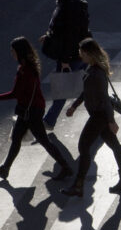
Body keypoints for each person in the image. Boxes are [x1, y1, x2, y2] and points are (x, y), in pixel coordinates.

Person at [60, 38, 121, 197]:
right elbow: (85, 91)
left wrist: (111, 121)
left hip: (100, 116)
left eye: (82, 53)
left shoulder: (97, 73)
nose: (80, 55)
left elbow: (105, 99)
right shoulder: (91, 68)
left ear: (88, 53)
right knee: (114, 145)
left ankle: (78, 186)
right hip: (98, 115)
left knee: (83, 147)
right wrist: (74, 106)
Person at [0, 37, 72, 180]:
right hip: (29, 109)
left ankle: (66, 167)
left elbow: (16, 93)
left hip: (32, 111)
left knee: (43, 141)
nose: (11, 53)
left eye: (13, 51)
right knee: (16, 138)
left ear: (19, 52)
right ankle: (5, 168)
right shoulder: (26, 67)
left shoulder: (25, 70)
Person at [39, 0, 92, 130]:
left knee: (62, 88)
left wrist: (65, 58)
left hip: (71, 54)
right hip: (81, 51)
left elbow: (69, 35)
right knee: (89, 83)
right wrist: (49, 36)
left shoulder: (69, 6)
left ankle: (49, 121)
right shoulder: (75, 1)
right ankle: (104, 110)